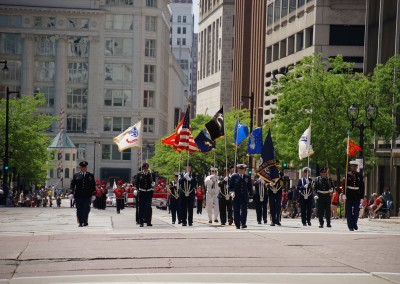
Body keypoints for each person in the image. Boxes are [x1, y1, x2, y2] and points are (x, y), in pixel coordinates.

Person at [70, 161, 96, 227]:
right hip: (78, 195)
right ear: (80, 168)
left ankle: (85, 221)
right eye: (82, 167)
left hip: (87, 195)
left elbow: (93, 185)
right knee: (79, 209)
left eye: (85, 167)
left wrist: (93, 194)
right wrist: (71, 193)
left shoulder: (90, 175)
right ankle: (80, 222)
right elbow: (72, 184)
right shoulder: (76, 175)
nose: (84, 168)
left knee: (86, 209)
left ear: (86, 168)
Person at [228, 164, 253, 229]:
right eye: (239, 169)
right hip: (236, 196)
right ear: (238, 169)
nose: (241, 171)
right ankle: (237, 224)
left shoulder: (247, 176)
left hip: (244, 196)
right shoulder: (234, 177)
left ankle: (243, 223)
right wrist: (231, 192)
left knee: (244, 210)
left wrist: (251, 196)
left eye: (242, 169)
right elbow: (230, 187)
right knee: (236, 210)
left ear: (244, 170)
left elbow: (250, 187)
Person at [343, 160, 365, 231]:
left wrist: (362, 197)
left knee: (356, 211)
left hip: (357, 195)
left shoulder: (359, 175)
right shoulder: (347, 175)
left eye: (356, 166)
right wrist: (344, 194)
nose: (354, 168)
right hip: (349, 195)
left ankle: (354, 223)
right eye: (353, 166)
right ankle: (350, 226)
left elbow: (362, 187)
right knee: (349, 212)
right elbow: (344, 185)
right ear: (350, 167)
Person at [135, 163, 155, 227]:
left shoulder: (151, 174)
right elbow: (136, 183)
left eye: (147, 168)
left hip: (148, 192)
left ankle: (148, 221)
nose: (146, 169)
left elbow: (153, 182)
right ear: (143, 168)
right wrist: (138, 189)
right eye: (145, 168)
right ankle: (141, 222)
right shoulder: (139, 174)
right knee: (141, 208)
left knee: (148, 208)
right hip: (142, 192)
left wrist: (153, 185)